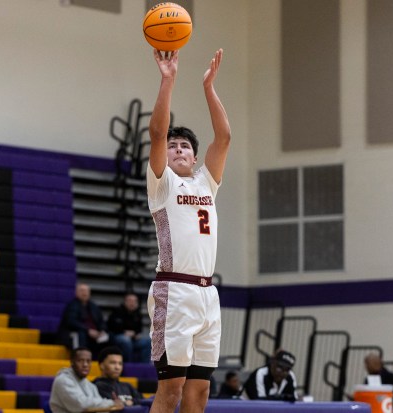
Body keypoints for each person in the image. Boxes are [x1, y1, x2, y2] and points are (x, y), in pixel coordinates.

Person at [146, 46, 231, 413]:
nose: (178, 149)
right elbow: (156, 131)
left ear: (194, 158)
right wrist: (169, 80)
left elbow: (224, 138)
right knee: (172, 390)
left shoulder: (206, 183)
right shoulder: (162, 183)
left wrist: (209, 88)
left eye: (185, 146)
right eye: (173, 146)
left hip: (207, 295)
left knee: (199, 393)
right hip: (174, 290)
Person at [49, 347, 124, 413]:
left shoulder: (90, 386)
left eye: (88, 361)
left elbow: (100, 409)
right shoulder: (63, 380)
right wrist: (111, 403)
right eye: (80, 361)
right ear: (72, 362)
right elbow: (81, 405)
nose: (85, 365)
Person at [57, 283, 109, 357]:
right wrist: (88, 330)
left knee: (109, 337)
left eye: (86, 291)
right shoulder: (72, 305)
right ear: (76, 293)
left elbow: (101, 321)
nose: (84, 293)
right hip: (76, 333)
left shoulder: (94, 306)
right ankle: (80, 358)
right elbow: (71, 322)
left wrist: (102, 330)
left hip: (94, 333)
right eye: (82, 291)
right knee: (81, 334)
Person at [108, 293, 151, 363]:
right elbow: (111, 326)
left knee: (148, 341)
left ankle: (145, 365)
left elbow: (139, 329)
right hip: (118, 336)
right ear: (125, 302)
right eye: (130, 301)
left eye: (134, 301)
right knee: (126, 340)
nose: (132, 303)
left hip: (133, 339)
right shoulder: (117, 311)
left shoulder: (137, 314)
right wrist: (124, 332)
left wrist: (135, 334)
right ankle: (128, 364)